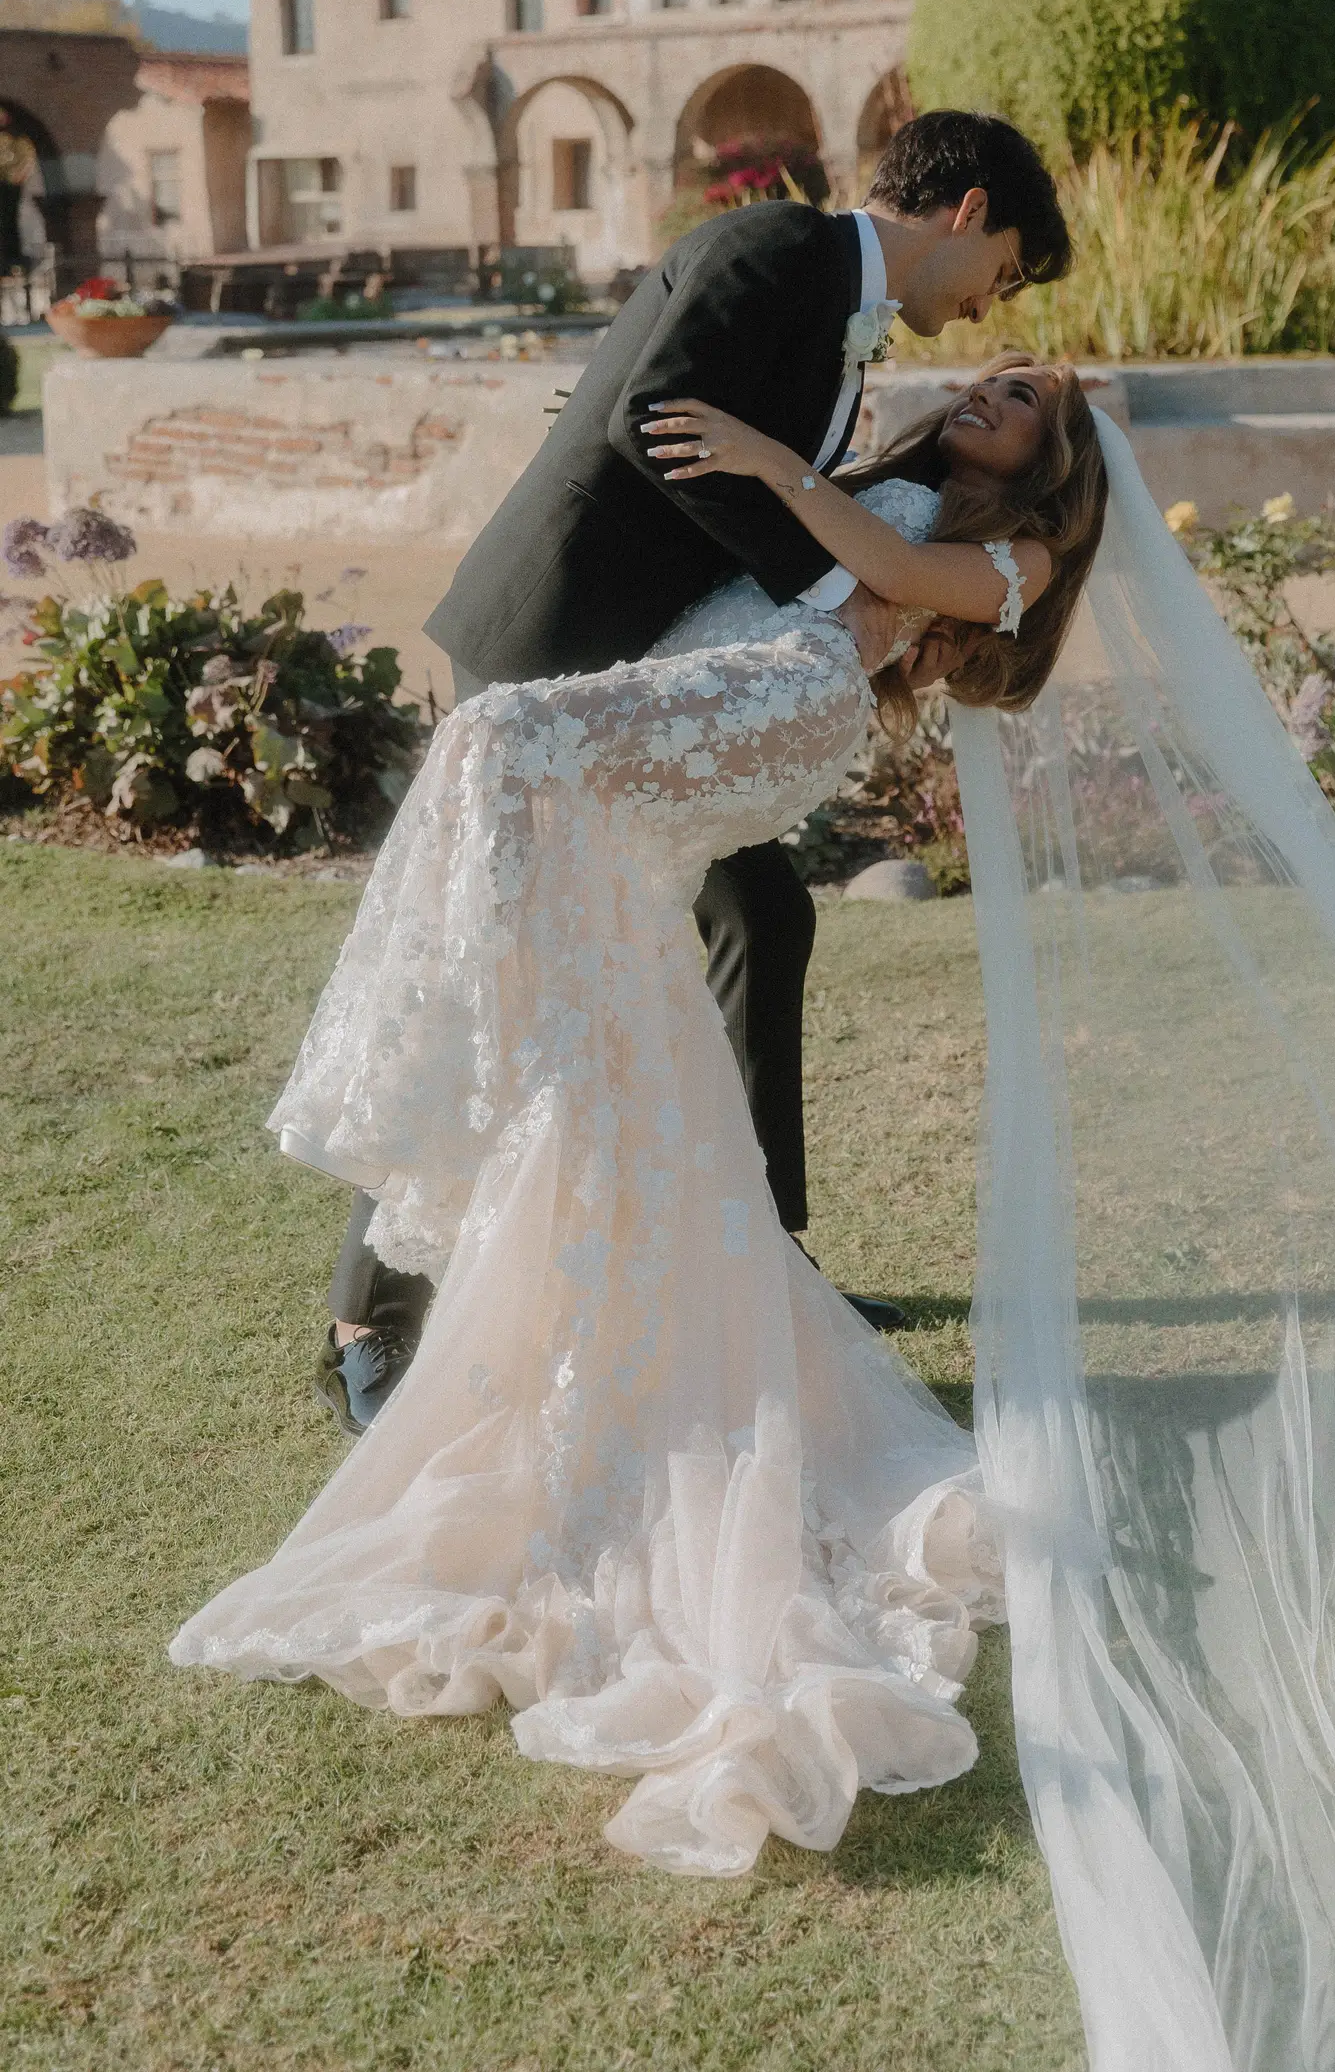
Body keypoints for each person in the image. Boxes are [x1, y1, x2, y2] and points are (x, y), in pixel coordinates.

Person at [171, 361, 1110, 1880]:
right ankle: (513, 1076)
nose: (994, 390)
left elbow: (873, 570)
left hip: (798, 698)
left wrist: (758, 452)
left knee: (495, 746)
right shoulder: (886, 463)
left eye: (1026, 401)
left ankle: (439, 1051)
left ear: (1056, 465)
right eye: (996, 377)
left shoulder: (1020, 552)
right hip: (763, 675)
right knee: (588, 928)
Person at [313, 111, 1072, 1433]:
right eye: (1003, 268)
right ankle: (366, 1320)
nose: (988, 303)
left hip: (655, 674)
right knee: (488, 962)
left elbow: (723, 453)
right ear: (965, 211)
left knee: (758, 916)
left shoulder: (835, 304)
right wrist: (843, 596)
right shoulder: (779, 247)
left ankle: (763, 1265)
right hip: (558, 655)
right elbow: (659, 420)